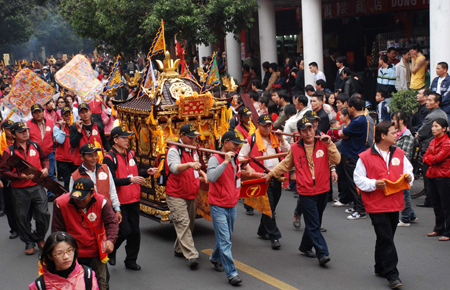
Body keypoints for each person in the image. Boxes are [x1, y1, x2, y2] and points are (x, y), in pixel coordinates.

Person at [266, 116, 340, 266]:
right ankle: (322, 253)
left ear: (314, 129)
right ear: (299, 132)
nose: (308, 133)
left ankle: (305, 246)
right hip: (306, 191)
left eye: (310, 129)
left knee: (316, 221)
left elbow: (337, 160)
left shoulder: (323, 143)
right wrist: (271, 174)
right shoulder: (295, 148)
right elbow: (285, 165)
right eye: (304, 130)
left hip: (323, 188)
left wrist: (331, 144)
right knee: (313, 224)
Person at [354, 121, 414, 289]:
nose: (396, 135)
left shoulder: (399, 153)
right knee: (386, 238)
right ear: (383, 136)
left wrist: (409, 177)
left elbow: (408, 170)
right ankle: (392, 274)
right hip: (376, 204)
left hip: (395, 203)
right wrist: (374, 184)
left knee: (386, 237)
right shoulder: (365, 156)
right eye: (393, 133)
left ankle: (380, 267)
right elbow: (358, 178)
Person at [104, 126, 158, 270]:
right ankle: (111, 249)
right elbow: (111, 181)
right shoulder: (109, 158)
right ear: (115, 140)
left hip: (133, 199)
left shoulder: (131, 154)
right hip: (119, 202)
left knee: (135, 233)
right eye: (124, 138)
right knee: (124, 230)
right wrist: (130, 181)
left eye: (127, 137)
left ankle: (131, 260)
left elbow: (135, 172)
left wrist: (146, 172)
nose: (127, 140)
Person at [52, 178, 119, 290]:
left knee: (101, 285)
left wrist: (110, 240)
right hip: (72, 253)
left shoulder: (102, 202)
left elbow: (112, 222)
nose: (78, 201)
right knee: (72, 285)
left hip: (96, 251)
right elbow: (57, 231)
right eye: (76, 198)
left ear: (92, 193)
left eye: (83, 199)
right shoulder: (60, 203)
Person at [239, 114, 290, 249]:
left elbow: (290, 153)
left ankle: (262, 230)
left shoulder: (276, 138)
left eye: (269, 125)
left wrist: (282, 140)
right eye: (264, 125)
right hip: (261, 178)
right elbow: (241, 157)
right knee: (268, 207)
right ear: (259, 125)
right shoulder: (251, 139)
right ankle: (274, 236)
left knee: (272, 205)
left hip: (277, 176)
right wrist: (249, 167)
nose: (267, 128)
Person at [0, 122, 50, 255]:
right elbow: (4, 171)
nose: (25, 133)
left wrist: (46, 168)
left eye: (26, 130)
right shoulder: (9, 151)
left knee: (44, 214)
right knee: (22, 217)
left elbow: (45, 159)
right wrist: (18, 176)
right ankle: (29, 242)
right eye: (21, 131)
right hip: (19, 189)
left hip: (37, 186)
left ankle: (40, 237)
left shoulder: (35, 145)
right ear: (13, 134)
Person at [163, 124, 206, 267]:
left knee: (189, 224)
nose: (194, 139)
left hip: (191, 192)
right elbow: (174, 168)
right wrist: (189, 164)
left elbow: (196, 166)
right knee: (183, 223)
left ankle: (179, 248)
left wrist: (202, 173)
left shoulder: (193, 149)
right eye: (190, 136)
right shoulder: (174, 150)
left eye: (195, 136)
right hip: (176, 194)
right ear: (182, 136)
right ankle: (192, 255)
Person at [207, 131, 244, 285]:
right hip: (218, 204)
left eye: (238, 144)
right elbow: (211, 177)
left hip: (231, 203)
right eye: (234, 144)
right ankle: (232, 273)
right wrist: (225, 162)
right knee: (226, 241)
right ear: (225, 143)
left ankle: (215, 257)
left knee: (227, 235)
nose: (237, 147)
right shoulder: (214, 158)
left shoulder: (236, 158)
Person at [69, 143, 122, 223]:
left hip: (106, 211)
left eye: (95, 155)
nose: (94, 158)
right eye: (90, 156)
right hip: (88, 216)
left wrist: (117, 209)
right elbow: (74, 199)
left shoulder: (105, 169)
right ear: (82, 157)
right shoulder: (75, 176)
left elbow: (112, 190)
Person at [29, 231, 100, 290]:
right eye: (59, 253)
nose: (66, 257)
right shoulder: (40, 286)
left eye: (69, 251)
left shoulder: (87, 275)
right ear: (50, 256)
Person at [415, 93, 448, 207]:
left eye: (430, 100)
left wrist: (417, 136)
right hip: (435, 147)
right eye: (427, 100)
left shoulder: (431, 117)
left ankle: (430, 200)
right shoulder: (443, 113)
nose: (427, 102)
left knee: (428, 176)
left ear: (437, 102)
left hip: (429, 148)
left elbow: (422, 133)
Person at [338, 96, 368, 219]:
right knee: (351, 182)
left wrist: (343, 132)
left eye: (348, 107)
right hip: (351, 153)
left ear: (353, 108)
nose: (347, 110)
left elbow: (342, 134)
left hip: (352, 155)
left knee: (354, 182)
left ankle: (360, 210)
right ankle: (356, 206)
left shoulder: (357, 121)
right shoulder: (360, 119)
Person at [422, 118, 450, 240]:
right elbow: (425, 157)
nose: (433, 128)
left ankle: (447, 232)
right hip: (432, 174)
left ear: (444, 129)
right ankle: (438, 228)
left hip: (443, 176)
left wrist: (430, 159)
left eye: (437, 126)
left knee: (446, 205)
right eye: (433, 126)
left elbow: (437, 159)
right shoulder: (433, 141)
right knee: (436, 204)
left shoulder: (447, 143)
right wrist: (430, 159)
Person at [392, 111, 417, 227]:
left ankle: (406, 218)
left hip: (402, 167)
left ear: (401, 120)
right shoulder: (397, 133)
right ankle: (411, 215)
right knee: (404, 192)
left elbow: (404, 155)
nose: (393, 122)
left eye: (394, 119)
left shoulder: (406, 135)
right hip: (397, 165)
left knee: (404, 193)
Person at [27, 104, 57, 201]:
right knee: (36, 175)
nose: (38, 114)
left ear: (43, 112)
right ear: (32, 114)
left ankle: (51, 193)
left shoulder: (51, 122)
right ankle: (37, 194)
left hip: (48, 152)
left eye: (39, 111)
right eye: (35, 112)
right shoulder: (27, 124)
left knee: (50, 173)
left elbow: (54, 137)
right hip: (34, 154)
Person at [0, 120, 19, 239]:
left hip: (21, 176)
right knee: (9, 205)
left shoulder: (21, 142)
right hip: (6, 177)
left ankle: (26, 226)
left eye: (13, 129)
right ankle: (14, 229)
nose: (11, 132)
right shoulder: (1, 144)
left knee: (24, 204)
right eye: (8, 129)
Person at [54, 106, 75, 190]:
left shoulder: (74, 126)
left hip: (73, 158)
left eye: (69, 115)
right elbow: (60, 140)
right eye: (65, 115)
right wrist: (62, 128)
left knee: (75, 179)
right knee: (67, 180)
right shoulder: (57, 127)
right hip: (63, 159)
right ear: (62, 116)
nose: (68, 117)